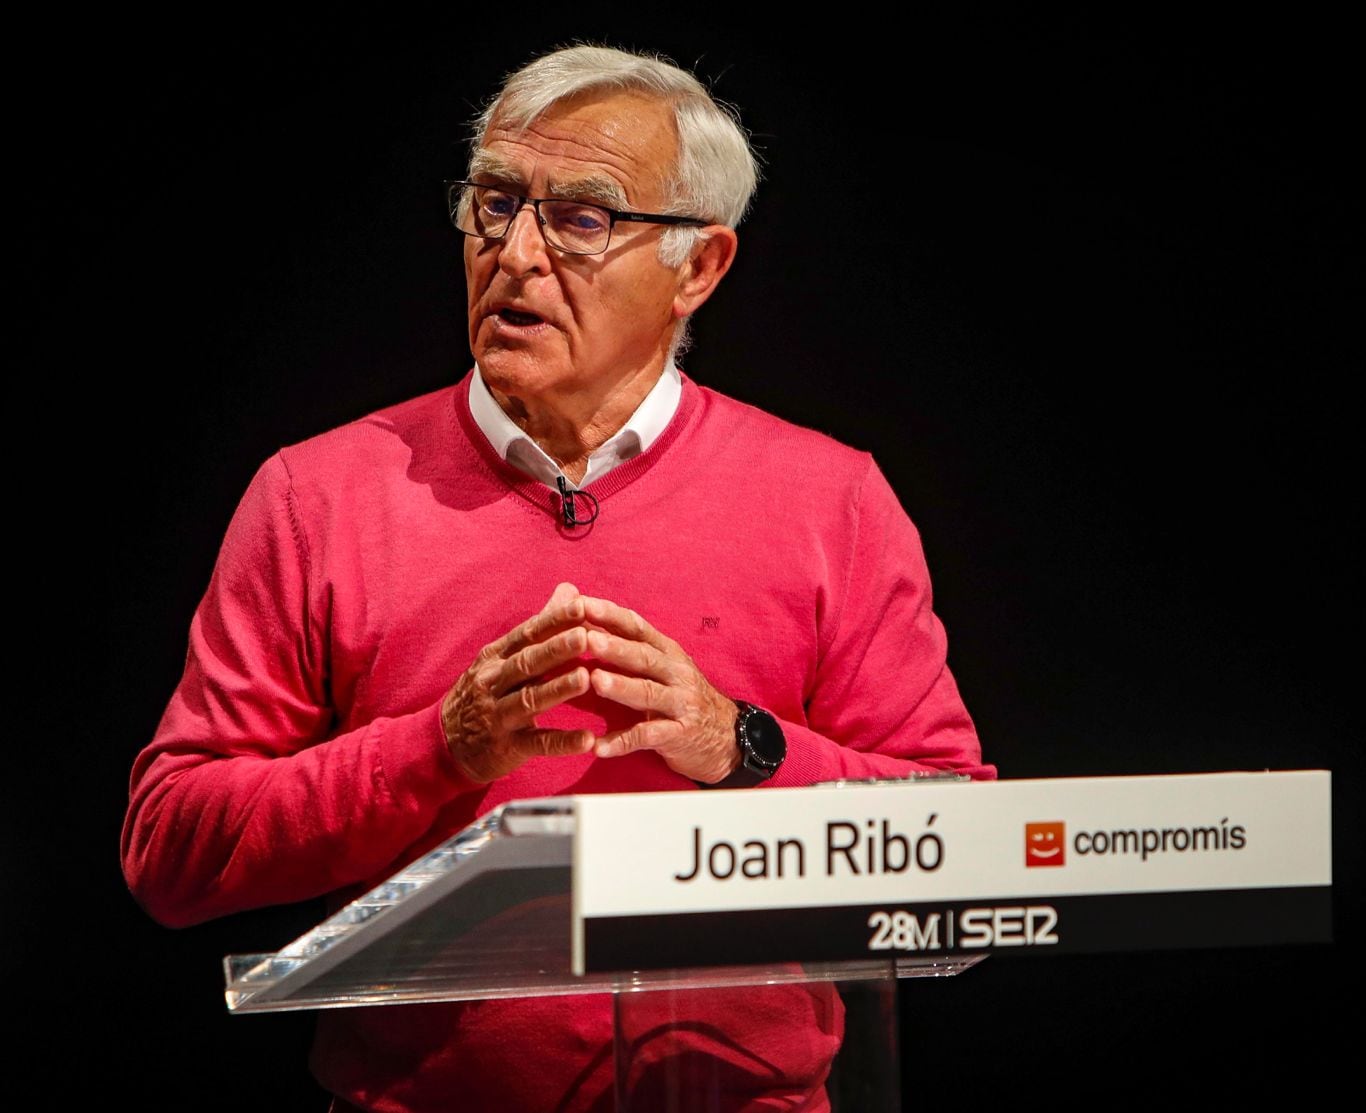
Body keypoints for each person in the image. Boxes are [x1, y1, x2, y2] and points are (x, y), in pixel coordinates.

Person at [121, 43, 993, 1111]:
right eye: (494, 203)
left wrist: (741, 746)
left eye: (581, 218)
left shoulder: (833, 499)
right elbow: (171, 848)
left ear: (700, 268)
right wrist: (439, 748)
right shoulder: (318, 495)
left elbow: (964, 858)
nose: (515, 253)